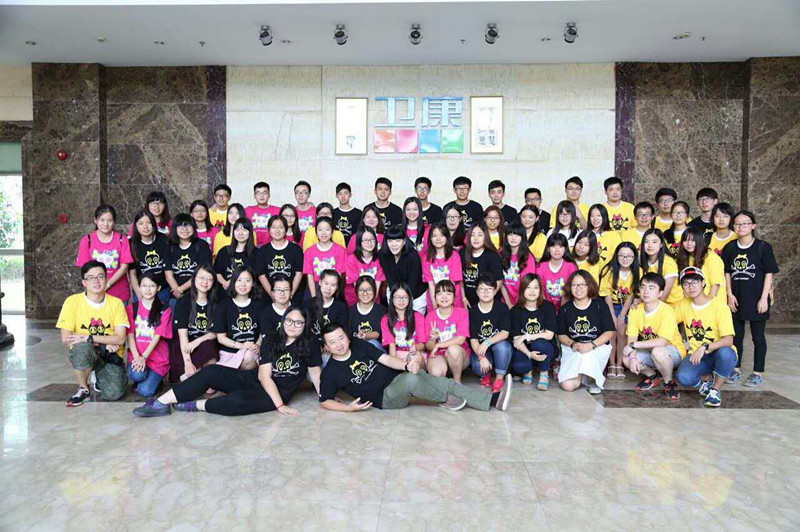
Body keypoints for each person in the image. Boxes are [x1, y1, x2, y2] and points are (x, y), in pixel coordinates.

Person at [134, 306, 322, 417]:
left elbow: (315, 373)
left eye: (298, 322)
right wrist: (280, 407)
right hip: (256, 379)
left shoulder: (310, 343)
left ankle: (195, 405)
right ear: (283, 320)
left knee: (237, 401)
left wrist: (324, 396)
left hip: (279, 392)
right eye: (289, 320)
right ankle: (160, 403)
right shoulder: (272, 338)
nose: (292, 326)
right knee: (212, 371)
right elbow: (264, 376)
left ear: (305, 324)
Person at [318, 323, 510, 412]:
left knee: (442, 381)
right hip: (385, 398)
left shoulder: (360, 345)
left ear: (347, 337)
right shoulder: (330, 372)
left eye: (341, 338)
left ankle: (492, 400)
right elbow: (324, 401)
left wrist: (406, 365)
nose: (339, 344)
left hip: (397, 377)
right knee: (412, 380)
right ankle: (445, 398)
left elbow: (387, 359)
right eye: (332, 342)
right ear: (326, 347)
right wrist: (348, 408)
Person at [58, 260, 129, 406]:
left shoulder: (116, 303)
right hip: (92, 349)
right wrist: (103, 343)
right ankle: (83, 388)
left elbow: (121, 339)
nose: (96, 281)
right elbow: (66, 338)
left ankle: (100, 376)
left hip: (110, 353)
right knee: (81, 349)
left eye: (100, 277)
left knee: (114, 394)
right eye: (91, 278)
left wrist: (88, 338)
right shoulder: (72, 302)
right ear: (84, 282)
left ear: (106, 279)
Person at [723, 210, 778, 387]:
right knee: (736, 337)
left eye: (745, 223)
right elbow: (727, 273)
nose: (741, 227)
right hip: (736, 299)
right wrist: (729, 295)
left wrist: (764, 298)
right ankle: (736, 369)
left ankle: (757, 372)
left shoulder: (763, 247)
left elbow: (769, 273)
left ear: (753, 226)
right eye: (737, 224)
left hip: (756, 299)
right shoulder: (730, 247)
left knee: (758, 337)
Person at [675, 267, 738, 407]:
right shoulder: (683, 305)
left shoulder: (719, 306)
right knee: (683, 378)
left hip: (717, 352)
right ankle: (706, 379)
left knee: (726, 354)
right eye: (686, 283)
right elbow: (666, 318)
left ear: (703, 283)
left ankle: (715, 390)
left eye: (695, 282)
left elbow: (729, 340)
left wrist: (705, 347)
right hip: (696, 355)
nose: (691, 287)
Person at [622, 272, 686, 399]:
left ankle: (669, 382)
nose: (646, 291)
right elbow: (632, 337)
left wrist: (633, 345)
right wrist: (633, 357)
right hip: (650, 350)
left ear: (660, 293)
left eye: (651, 288)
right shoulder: (635, 310)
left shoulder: (667, 311)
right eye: (643, 287)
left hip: (673, 352)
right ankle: (652, 376)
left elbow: (662, 342)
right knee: (626, 357)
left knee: (658, 351)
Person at [557, 270, 615, 394]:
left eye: (582, 284)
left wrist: (591, 345)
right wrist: (572, 344)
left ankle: (592, 378)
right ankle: (583, 374)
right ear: (570, 287)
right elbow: (561, 334)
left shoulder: (600, 305)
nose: (578, 288)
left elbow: (609, 332)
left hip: (596, 348)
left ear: (589, 286)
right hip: (574, 349)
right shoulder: (565, 309)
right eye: (574, 285)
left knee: (587, 354)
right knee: (567, 385)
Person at [125, 272, 173, 397]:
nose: (148, 289)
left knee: (145, 391)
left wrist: (144, 357)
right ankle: (144, 377)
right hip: (137, 355)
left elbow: (157, 336)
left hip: (157, 359)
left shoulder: (164, 309)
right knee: (137, 375)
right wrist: (137, 357)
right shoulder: (132, 308)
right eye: (144, 286)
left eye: (152, 286)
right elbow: (130, 335)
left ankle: (155, 379)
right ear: (139, 287)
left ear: (158, 288)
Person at [76, 204, 133, 305]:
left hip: (119, 294)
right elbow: (85, 268)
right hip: (95, 294)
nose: (106, 224)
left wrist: (107, 285)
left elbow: (124, 267)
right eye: (102, 220)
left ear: (114, 221)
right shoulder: (87, 240)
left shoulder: (121, 239)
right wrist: (99, 286)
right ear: (95, 220)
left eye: (109, 220)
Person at [169, 264, 218, 383]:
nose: (205, 282)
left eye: (209, 279)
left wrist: (198, 341)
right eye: (202, 278)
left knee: (210, 351)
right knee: (190, 376)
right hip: (186, 346)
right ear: (194, 278)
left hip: (206, 343)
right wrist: (188, 363)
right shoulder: (183, 302)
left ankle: (201, 377)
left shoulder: (217, 303)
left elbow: (216, 332)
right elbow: (183, 335)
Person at [599, 242, 641, 379]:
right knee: (612, 331)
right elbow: (607, 296)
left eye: (629, 256)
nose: (625, 259)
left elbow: (632, 295)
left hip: (627, 307)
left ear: (634, 257)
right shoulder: (608, 271)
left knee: (622, 331)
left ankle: (620, 363)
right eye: (621, 255)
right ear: (616, 256)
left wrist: (622, 315)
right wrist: (613, 316)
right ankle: (612, 363)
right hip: (610, 306)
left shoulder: (638, 271)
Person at [510, 273, 557, 390]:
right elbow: (516, 340)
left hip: (545, 348)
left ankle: (544, 374)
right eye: (528, 287)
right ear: (522, 289)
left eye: (536, 287)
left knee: (539, 343)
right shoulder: (515, 311)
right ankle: (528, 370)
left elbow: (549, 335)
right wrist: (528, 353)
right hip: (525, 349)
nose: (532, 291)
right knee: (519, 366)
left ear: (540, 290)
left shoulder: (548, 307)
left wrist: (526, 336)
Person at [212, 267, 264, 370]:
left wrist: (258, 344)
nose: (243, 284)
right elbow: (221, 338)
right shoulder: (223, 306)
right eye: (239, 280)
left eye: (247, 280)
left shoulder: (259, 305)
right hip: (229, 353)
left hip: (252, 352)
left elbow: (264, 331)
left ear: (253, 283)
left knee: (248, 355)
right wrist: (241, 346)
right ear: (234, 282)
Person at [469, 275, 513, 393]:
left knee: (503, 347)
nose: (486, 292)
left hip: (497, 346)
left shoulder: (502, 308)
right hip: (481, 350)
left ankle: (499, 379)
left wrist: (487, 342)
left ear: (494, 291)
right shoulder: (473, 311)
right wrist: (481, 357)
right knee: (478, 367)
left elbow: (504, 333)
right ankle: (485, 375)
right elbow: (473, 339)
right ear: (477, 292)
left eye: (489, 289)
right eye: (482, 289)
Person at [424, 280, 470, 382]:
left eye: (448, 293)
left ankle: (457, 382)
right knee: (436, 372)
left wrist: (438, 345)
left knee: (453, 350)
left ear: (454, 296)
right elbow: (429, 347)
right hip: (439, 355)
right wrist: (432, 339)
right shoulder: (430, 316)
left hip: (459, 356)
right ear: (435, 297)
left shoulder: (462, 313)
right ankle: (443, 386)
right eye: (439, 294)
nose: (444, 297)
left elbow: (460, 339)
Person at [165, 214, 212, 307]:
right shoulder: (169, 246)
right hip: (176, 291)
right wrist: (176, 290)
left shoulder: (202, 245)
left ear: (193, 227)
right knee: (174, 305)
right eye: (180, 226)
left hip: (199, 290)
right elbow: (168, 275)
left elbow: (203, 274)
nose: (185, 229)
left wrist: (181, 289)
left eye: (188, 225)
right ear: (175, 228)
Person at [255, 215, 304, 304]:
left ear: (286, 229)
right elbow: (261, 276)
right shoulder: (262, 251)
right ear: (269, 230)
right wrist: (273, 295)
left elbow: (299, 273)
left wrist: (290, 294)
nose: (277, 230)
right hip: (269, 298)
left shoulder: (296, 249)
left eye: (280, 227)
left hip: (293, 297)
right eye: (273, 227)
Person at [378, 227, 427, 313]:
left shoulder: (413, 255)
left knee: (414, 319)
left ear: (404, 242)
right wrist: (397, 299)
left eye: (398, 241)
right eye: (390, 241)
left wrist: (405, 299)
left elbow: (413, 281)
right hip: (395, 291)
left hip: (415, 295)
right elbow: (390, 279)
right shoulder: (383, 255)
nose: (394, 244)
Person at [381, 283, 428, 366]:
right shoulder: (386, 319)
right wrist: (395, 364)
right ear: (392, 299)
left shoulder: (418, 317)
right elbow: (392, 347)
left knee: (414, 356)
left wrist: (415, 348)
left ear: (410, 299)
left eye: (405, 297)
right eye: (397, 297)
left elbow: (422, 345)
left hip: (417, 355)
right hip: (398, 356)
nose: (401, 300)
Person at [129, 209, 170, 305]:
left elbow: (168, 269)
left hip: (162, 289)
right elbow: (132, 274)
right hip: (141, 290)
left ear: (154, 224)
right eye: (141, 223)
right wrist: (139, 295)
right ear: (136, 226)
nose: (145, 227)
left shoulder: (163, 239)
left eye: (149, 223)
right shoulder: (131, 243)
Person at [677, 227, 727, 305]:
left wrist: (707, 306)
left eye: (693, 240)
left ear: (699, 241)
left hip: (713, 305)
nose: (689, 244)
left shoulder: (711, 257)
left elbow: (715, 285)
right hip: (695, 304)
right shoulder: (686, 258)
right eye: (685, 240)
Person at [423, 222, 464, 310]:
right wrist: (435, 306)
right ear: (430, 238)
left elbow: (452, 282)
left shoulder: (454, 256)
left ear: (447, 237)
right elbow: (430, 284)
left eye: (441, 235)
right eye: (434, 236)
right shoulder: (426, 258)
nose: (438, 239)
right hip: (434, 298)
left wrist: (446, 304)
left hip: (452, 298)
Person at [460, 222, 503, 307]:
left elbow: (499, 280)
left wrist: (488, 298)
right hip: (468, 301)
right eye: (473, 235)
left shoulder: (492, 256)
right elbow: (460, 279)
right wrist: (463, 298)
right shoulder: (462, 253)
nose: (476, 238)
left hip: (488, 301)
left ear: (485, 237)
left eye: (480, 235)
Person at [303, 217, 347, 298]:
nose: (323, 233)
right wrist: (314, 297)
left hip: (333, 287)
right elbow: (310, 276)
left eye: (327, 229)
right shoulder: (309, 251)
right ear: (316, 232)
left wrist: (331, 292)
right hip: (315, 287)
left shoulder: (340, 250)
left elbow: (339, 274)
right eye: (320, 229)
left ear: (332, 232)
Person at [305, 269, 348, 349]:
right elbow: (306, 329)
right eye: (326, 283)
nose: (328, 288)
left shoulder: (340, 306)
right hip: (313, 346)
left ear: (337, 287)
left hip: (333, 346)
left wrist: (328, 345)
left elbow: (342, 331)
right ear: (320, 282)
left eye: (333, 285)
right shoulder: (308, 304)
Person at [640, 228, 683, 307]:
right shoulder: (643, 261)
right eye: (646, 242)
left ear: (661, 244)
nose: (650, 245)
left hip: (673, 305)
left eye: (654, 242)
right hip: (653, 303)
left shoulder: (669, 263)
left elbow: (663, 296)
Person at [536, 233, 577, 312]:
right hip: (545, 308)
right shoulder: (540, 267)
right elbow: (540, 291)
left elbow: (571, 291)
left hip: (566, 309)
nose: (557, 250)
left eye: (561, 246)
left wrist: (562, 311)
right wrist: (548, 310)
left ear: (565, 249)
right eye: (553, 246)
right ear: (548, 249)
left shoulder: (571, 267)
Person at [344, 227, 385, 306]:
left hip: (373, 299)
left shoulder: (380, 259)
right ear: (359, 242)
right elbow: (357, 285)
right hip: (354, 300)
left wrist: (371, 303)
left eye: (372, 239)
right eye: (366, 240)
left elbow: (377, 283)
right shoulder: (351, 259)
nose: (370, 243)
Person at [500, 222, 538, 307]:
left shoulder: (528, 257)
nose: (513, 238)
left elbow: (526, 284)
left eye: (517, 235)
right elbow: (500, 281)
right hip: (504, 301)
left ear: (522, 237)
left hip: (523, 301)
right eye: (510, 234)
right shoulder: (500, 254)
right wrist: (508, 303)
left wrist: (517, 304)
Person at [214, 218, 256, 291]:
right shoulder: (224, 251)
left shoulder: (256, 253)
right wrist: (225, 283)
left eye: (244, 230)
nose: (240, 233)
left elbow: (257, 276)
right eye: (237, 230)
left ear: (250, 232)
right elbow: (216, 272)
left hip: (247, 293)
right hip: (226, 293)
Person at [347, 275, 387, 352]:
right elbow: (348, 334)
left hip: (377, 350)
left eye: (369, 290)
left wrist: (365, 335)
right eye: (361, 290)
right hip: (356, 349)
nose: (365, 293)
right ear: (356, 291)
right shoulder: (351, 311)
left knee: (372, 343)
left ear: (374, 291)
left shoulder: (381, 310)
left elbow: (377, 334)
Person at [245, 181, 281, 247]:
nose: (261, 196)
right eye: (258, 193)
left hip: (272, 246)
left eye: (264, 193)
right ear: (254, 196)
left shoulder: (277, 210)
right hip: (252, 246)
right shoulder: (247, 210)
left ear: (269, 195)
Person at [333, 182, 362, 246]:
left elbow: (360, 234)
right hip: (336, 248)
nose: (343, 196)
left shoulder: (359, 213)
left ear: (350, 195)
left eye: (346, 193)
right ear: (336, 196)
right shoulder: (333, 213)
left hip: (354, 247)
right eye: (340, 194)